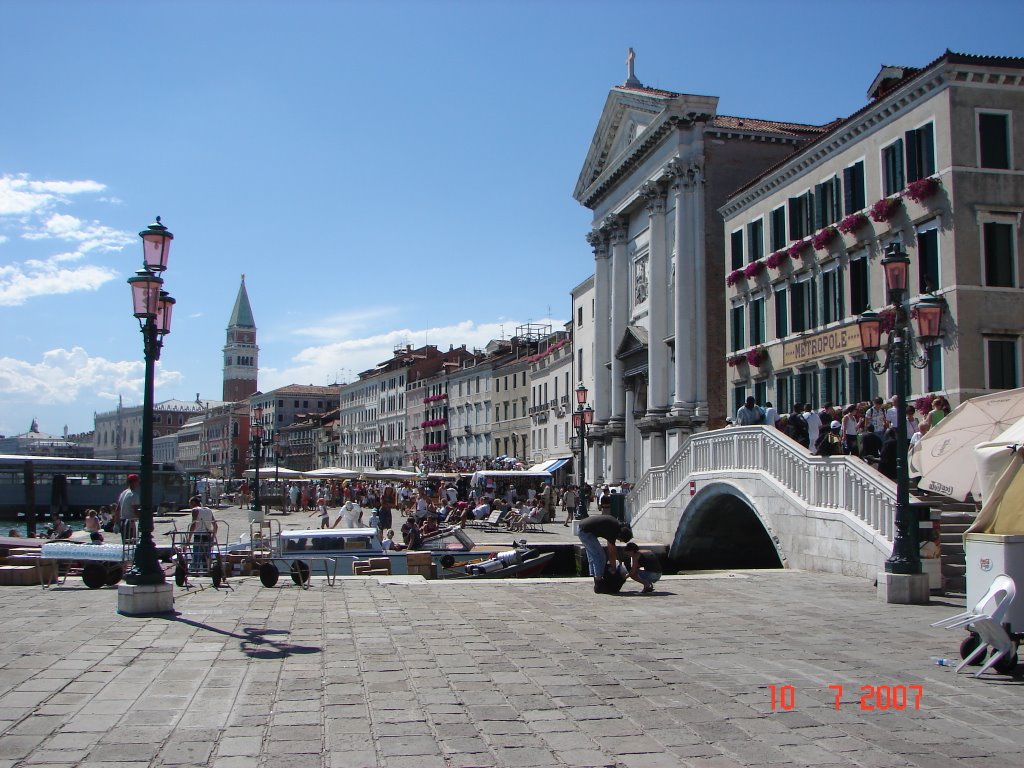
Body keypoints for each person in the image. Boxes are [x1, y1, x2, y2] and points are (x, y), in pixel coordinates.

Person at [577, 513, 633, 592]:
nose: (618, 540)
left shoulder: (614, 525)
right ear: (620, 535)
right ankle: (598, 583)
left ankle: (596, 579)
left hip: (582, 527)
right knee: (600, 556)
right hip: (585, 532)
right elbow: (611, 553)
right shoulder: (614, 530)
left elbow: (611, 549)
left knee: (593, 555)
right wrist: (613, 570)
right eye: (620, 540)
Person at [188, 495, 218, 572]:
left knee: (196, 556)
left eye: (190, 504)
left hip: (198, 535)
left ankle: (195, 571)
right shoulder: (208, 510)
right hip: (208, 536)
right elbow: (215, 526)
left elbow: (193, 525)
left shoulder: (195, 510)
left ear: (194, 503)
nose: (190, 506)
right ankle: (206, 571)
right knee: (206, 556)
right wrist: (213, 537)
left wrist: (188, 538)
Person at [116, 473, 140, 543]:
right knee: (132, 543)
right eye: (137, 481)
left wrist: (116, 523)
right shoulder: (134, 495)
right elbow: (136, 511)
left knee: (125, 544)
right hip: (130, 522)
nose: (138, 483)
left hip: (123, 522)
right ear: (134, 482)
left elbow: (117, 509)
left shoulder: (123, 493)